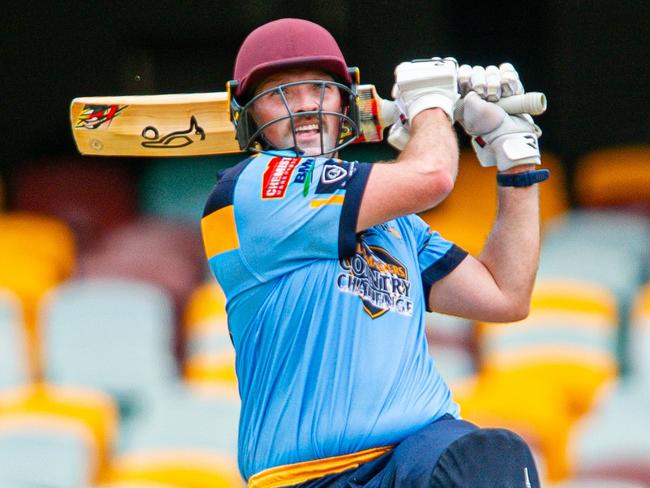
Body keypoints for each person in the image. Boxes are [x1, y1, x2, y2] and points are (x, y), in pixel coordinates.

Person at [201, 17, 548, 488]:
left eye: (320, 89)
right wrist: (430, 106)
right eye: (279, 92)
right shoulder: (250, 190)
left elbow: (504, 296)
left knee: (489, 456)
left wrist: (516, 160)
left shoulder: (392, 221)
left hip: (414, 454)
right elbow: (433, 177)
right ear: (249, 115)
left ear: (347, 102)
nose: (304, 106)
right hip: (308, 476)